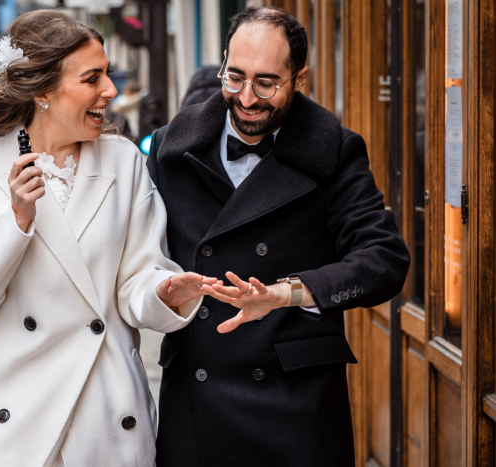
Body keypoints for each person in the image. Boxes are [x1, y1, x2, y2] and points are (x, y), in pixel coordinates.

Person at [0, 10, 216, 467]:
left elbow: (137, 277)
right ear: (42, 91)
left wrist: (164, 290)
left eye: (108, 75)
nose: (111, 91)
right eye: (92, 78)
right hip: (3, 425)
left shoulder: (124, 163)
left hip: (101, 418)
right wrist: (16, 220)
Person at [147, 6, 410, 467]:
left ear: (300, 78)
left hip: (295, 405)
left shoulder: (335, 152)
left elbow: (384, 259)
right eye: (235, 77)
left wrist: (289, 293)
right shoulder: (172, 150)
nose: (247, 98)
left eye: (266, 83)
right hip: (197, 398)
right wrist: (161, 293)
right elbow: (136, 263)